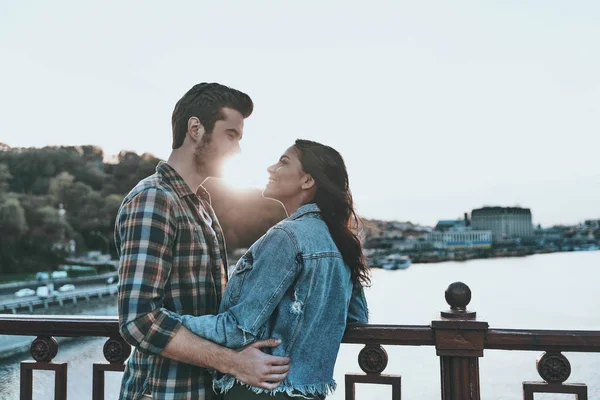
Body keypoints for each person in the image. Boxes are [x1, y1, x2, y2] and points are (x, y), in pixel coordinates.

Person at [115, 83, 291, 400]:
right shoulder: (154, 200)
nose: (237, 149)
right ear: (195, 128)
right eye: (231, 135)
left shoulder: (200, 205)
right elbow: (138, 320)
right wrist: (234, 363)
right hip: (164, 392)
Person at [179, 139, 370, 399]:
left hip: (261, 388)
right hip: (309, 392)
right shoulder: (339, 240)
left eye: (283, 162)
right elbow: (356, 319)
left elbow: (239, 329)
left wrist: (170, 322)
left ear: (307, 181)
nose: (270, 168)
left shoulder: (287, 237)